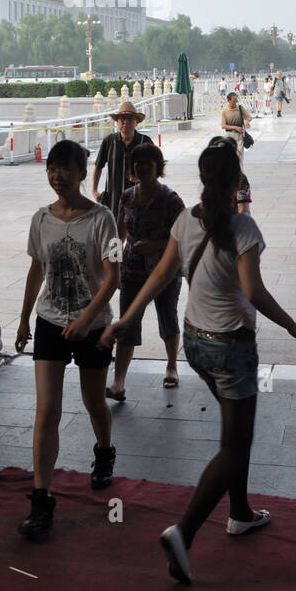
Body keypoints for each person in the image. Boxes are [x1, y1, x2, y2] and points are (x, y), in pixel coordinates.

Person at [99, 140, 296, 585]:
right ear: (237, 181)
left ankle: (240, 513)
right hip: (231, 348)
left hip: (195, 343)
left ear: (202, 178)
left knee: (236, 436)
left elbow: (160, 275)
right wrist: (292, 326)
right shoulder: (243, 228)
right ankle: (184, 531)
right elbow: (252, 292)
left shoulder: (184, 220)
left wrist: (127, 319)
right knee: (235, 444)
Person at [15, 141, 121, 538]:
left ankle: (104, 451)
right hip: (49, 322)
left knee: (94, 401)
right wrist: (24, 318)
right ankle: (41, 501)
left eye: (65, 169)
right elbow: (36, 269)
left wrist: (86, 320)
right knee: (47, 410)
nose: (57, 176)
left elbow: (113, 278)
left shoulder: (102, 219)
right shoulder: (40, 219)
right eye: (52, 168)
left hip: (92, 327)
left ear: (82, 173)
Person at [108, 144, 185, 399]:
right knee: (127, 322)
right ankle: (118, 382)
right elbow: (119, 232)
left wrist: (155, 244)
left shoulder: (170, 199)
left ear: (158, 167)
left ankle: (172, 365)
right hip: (131, 270)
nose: (142, 167)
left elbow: (184, 236)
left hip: (164, 270)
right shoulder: (127, 196)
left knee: (167, 317)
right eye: (138, 163)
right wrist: (112, 263)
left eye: (148, 163)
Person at [91, 100, 154, 217]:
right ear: (117, 122)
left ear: (136, 122)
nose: (125, 122)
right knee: (114, 233)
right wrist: (94, 190)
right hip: (113, 201)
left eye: (130, 119)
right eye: (122, 118)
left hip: (139, 199)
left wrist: (142, 179)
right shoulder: (109, 141)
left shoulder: (145, 142)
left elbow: (156, 168)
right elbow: (98, 166)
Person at [221, 90, 251, 163]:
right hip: (229, 136)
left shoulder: (240, 108)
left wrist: (247, 121)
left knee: (239, 157)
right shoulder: (224, 111)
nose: (235, 103)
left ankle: (239, 172)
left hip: (239, 136)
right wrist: (235, 127)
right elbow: (223, 126)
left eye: (236, 101)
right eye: (233, 101)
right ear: (228, 100)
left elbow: (249, 117)